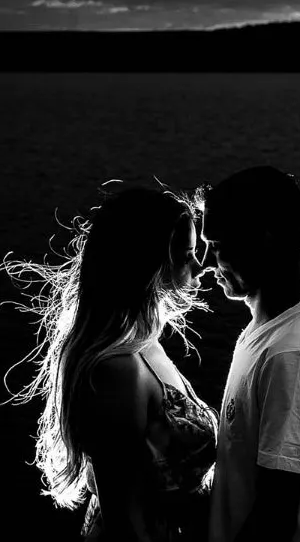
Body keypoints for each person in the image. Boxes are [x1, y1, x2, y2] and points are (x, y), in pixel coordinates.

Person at [1, 181, 218, 541]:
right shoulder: (117, 370)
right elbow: (123, 515)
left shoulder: (145, 345)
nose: (200, 267)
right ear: (147, 266)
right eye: (186, 256)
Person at [201, 166, 300, 542]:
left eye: (216, 245)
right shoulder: (267, 334)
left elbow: (274, 519)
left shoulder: (294, 357)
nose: (206, 261)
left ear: (262, 239)